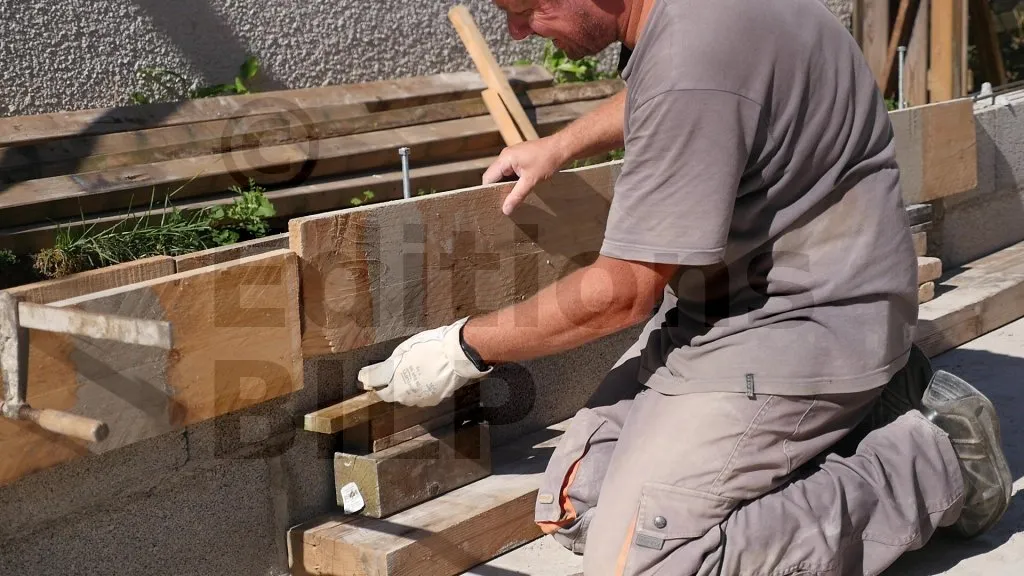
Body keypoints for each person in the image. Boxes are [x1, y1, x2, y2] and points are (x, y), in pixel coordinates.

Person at [357, 1, 1013, 574]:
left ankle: (929, 460)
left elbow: (621, 293)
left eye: (526, 9)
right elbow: (680, 93)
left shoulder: (694, 50)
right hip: (733, 311)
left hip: (812, 323)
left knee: (646, 563)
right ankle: (858, 417)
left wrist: (464, 347)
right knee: (578, 503)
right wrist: (560, 145)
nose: (519, 32)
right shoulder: (693, 23)